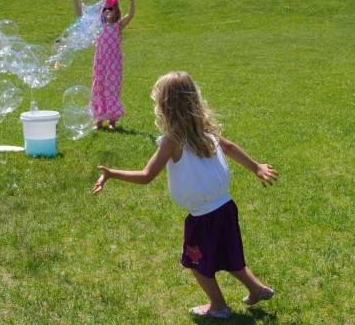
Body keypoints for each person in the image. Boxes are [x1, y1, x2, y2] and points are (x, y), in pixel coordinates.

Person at [91, 71, 279, 319]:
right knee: (230, 254)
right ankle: (257, 289)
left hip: (202, 216)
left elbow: (147, 175)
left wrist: (112, 173)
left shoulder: (172, 141)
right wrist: (255, 166)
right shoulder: (204, 129)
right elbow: (231, 147)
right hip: (225, 207)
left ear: (165, 107)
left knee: (196, 263)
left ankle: (219, 307)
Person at [71, 0, 135, 131]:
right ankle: (99, 120)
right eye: (105, 8)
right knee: (98, 89)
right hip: (100, 63)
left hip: (114, 64)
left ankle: (112, 121)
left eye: (110, 8)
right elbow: (80, 15)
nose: (107, 10)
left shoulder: (118, 26)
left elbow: (130, 15)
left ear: (116, 9)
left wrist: (132, 1)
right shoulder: (98, 26)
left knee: (112, 89)